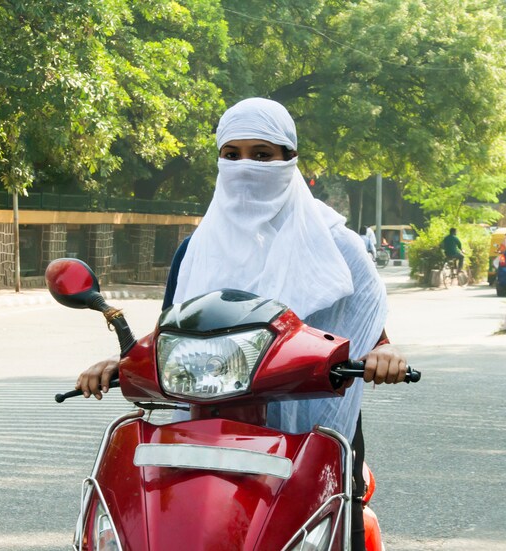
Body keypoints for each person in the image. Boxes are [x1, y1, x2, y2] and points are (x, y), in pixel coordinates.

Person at [75, 97, 408, 550]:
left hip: (307, 424)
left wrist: (385, 351)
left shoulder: (337, 245)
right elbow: (173, 337)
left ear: (290, 159)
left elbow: (367, 326)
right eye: (232, 155)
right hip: (202, 424)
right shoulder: (195, 249)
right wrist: (123, 363)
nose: (246, 167)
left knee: (338, 517)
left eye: (262, 155)